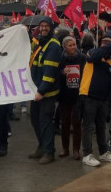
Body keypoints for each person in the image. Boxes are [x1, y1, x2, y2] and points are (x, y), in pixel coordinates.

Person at [78, 37, 111, 167]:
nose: (106, 45)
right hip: (89, 96)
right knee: (88, 127)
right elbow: (93, 57)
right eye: (104, 42)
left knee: (101, 126)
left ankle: (103, 152)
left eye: (109, 43)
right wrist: (110, 45)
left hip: (103, 100)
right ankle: (87, 154)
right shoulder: (92, 53)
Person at [28, 17, 63, 164]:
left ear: (51, 28)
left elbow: (49, 73)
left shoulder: (53, 45)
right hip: (36, 91)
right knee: (35, 120)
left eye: (46, 26)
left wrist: (41, 92)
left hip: (46, 94)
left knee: (45, 122)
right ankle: (42, 146)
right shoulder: (40, 42)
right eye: (41, 26)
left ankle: (49, 152)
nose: (43, 28)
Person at [58, 36, 86, 160]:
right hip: (65, 95)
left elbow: (86, 74)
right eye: (70, 45)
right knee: (65, 123)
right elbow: (56, 74)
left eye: (74, 44)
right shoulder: (61, 59)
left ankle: (76, 149)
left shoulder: (82, 58)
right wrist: (62, 73)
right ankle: (65, 148)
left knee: (76, 123)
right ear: (64, 47)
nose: (73, 47)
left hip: (78, 94)